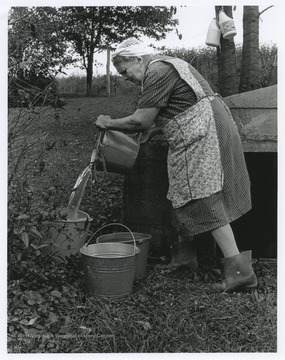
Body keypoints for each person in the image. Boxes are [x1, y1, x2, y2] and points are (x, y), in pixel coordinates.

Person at [95, 37, 257, 292]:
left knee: (204, 198)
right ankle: (184, 257)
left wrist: (108, 122)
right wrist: (160, 130)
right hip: (199, 129)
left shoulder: (157, 71)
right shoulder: (167, 64)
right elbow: (184, 103)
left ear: (137, 58)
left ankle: (241, 274)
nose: (125, 77)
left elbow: (140, 121)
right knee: (183, 193)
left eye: (124, 71)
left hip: (204, 133)